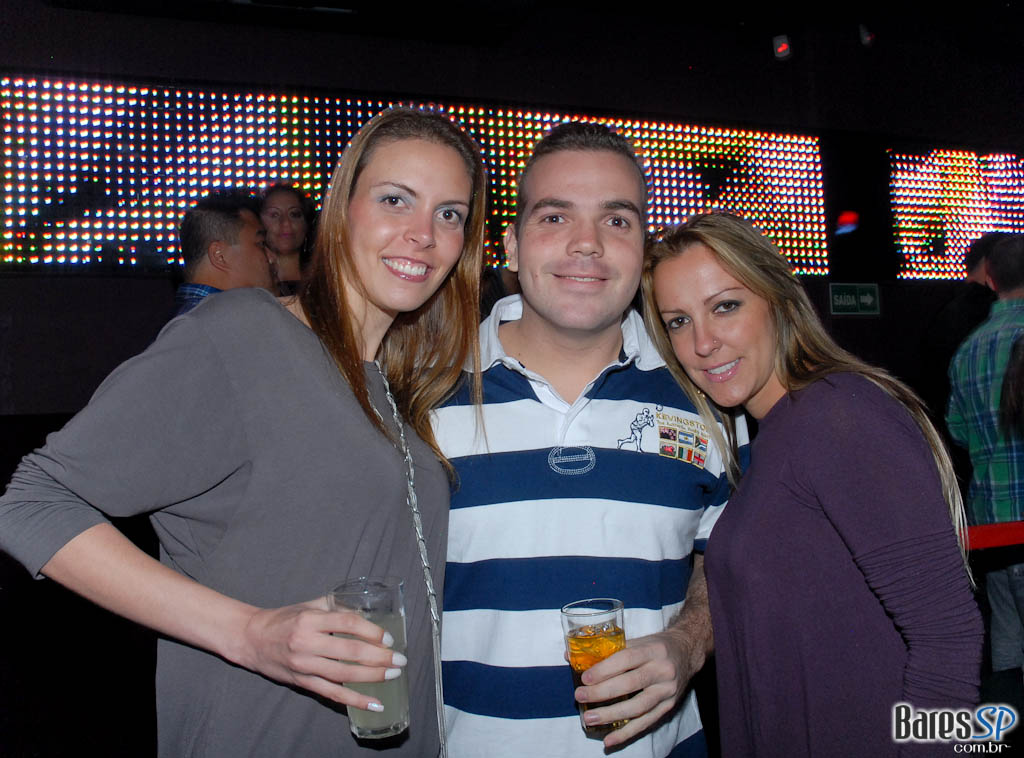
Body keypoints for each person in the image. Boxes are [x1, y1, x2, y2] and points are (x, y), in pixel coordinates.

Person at [0, 107, 487, 758]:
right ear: (340, 211)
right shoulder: (245, 335)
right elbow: (30, 503)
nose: (423, 234)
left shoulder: (397, 383)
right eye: (395, 200)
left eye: (449, 214)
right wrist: (250, 633)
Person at [432, 122, 745, 757]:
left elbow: (729, 561)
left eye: (616, 220)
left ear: (643, 251)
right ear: (511, 246)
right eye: (555, 217)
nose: (587, 244)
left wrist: (688, 642)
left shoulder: (709, 396)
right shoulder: (423, 395)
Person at [643, 212, 983, 756]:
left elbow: (948, 635)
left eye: (725, 306)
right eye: (679, 321)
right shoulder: (774, 436)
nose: (702, 342)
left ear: (779, 301)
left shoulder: (839, 415)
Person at [948, 234, 1024, 688]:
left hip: (992, 524)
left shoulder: (968, 351)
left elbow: (957, 431)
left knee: (1007, 641)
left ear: (990, 280)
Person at [173, 189, 277, 316]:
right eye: (261, 244)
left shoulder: (190, 317)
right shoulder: (224, 321)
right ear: (219, 256)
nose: (271, 257)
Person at [260, 182, 315, 293]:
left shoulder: (326, 280)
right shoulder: (249, 287)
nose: (285, 223)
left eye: (294, 214)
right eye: (274, 215)